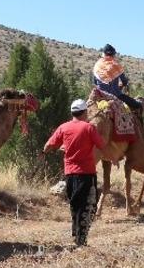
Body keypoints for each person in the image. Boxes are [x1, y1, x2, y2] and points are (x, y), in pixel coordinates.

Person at [43, 99, 106, 248]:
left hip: (69, 174)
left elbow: (49, 145)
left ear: (72, 112)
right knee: (88, 206)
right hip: (86, 173)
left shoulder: (63, 127)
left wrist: (43, 152)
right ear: (84, 112)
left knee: (75, 204)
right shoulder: (89, 127)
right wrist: (114, 157)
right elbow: (102, 145)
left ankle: (76, 234)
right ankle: (81, 240)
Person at [92, 44, 142, 113]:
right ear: (113, 54)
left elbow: (95, 82)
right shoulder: (116, 65)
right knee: (137, 105)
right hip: (115, 95)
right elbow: (124, 81)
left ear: (103, 54)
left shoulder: (97, 65)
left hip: (100, 95)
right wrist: (123, 84)